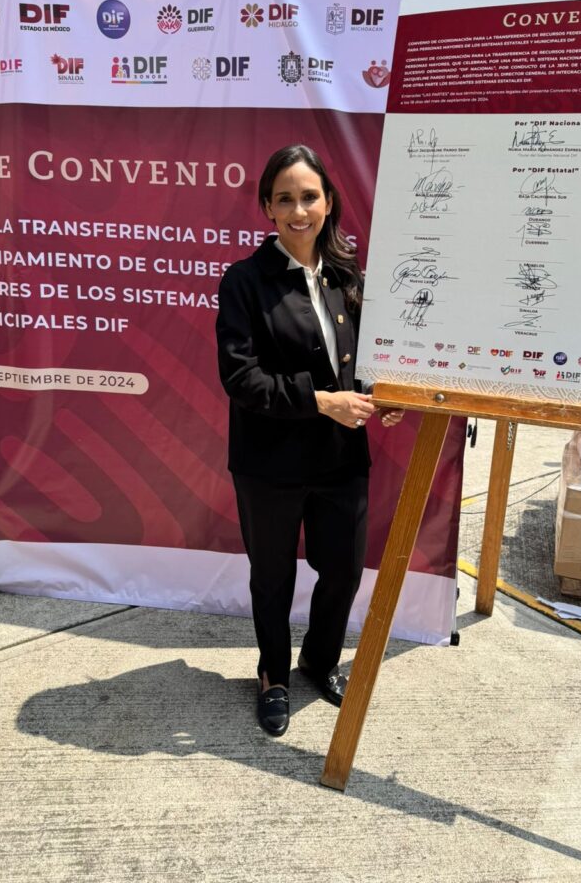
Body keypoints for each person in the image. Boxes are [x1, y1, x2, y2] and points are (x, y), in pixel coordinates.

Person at [215, 144, 403, 736]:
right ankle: (272, 675)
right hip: (268, 464)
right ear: (267, 207)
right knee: (273, 577)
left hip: (341, 459)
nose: (299, 211)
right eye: (286, 199)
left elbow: (365, 361)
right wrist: (323, 401)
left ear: (329, 202)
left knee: (343, 570)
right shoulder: (244, 281)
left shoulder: (348, 275)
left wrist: (383, 395)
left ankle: (319, 663)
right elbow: (240, 378)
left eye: (310, 197)